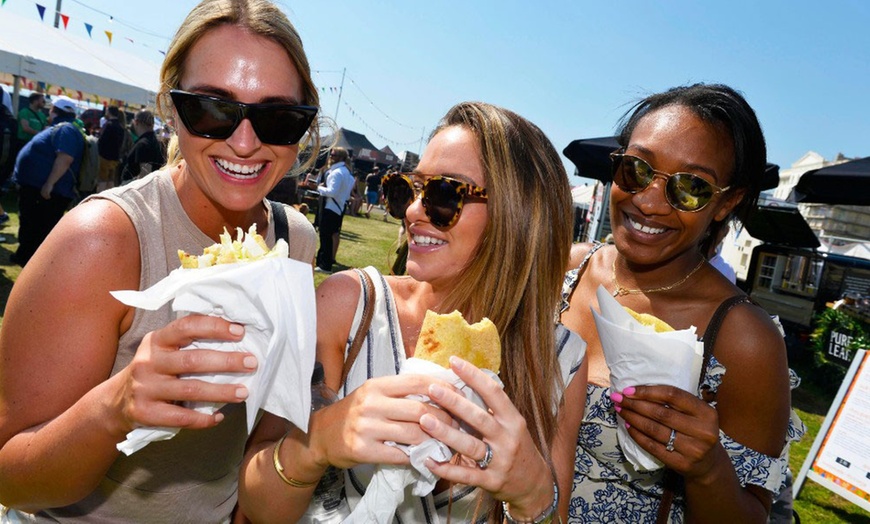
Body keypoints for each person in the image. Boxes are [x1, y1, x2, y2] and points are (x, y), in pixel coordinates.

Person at [0, 0, 320, 520]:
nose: (244, 143)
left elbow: (268, 423)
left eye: (278, 117)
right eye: (212, 109)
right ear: (172, 105)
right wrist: (115, 408)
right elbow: (11, 478)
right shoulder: (103, 241)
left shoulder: (295, 242)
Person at [238, 101, 588, 523]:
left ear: (519, 217)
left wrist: (534, 497)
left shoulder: (561, 359)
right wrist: (317, 443)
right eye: (409, 189)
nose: (412, 211)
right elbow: (256, 506)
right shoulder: (347, 306)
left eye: (443, 193)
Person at [559, 83, 804, 522]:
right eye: (636, 169)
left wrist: (707, 469)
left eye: (690, 187)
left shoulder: (744, 340)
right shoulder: (564, 271)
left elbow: (751, 515)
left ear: (725, 202)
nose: (649, 202)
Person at [9, 95, 84, 267]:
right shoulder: (65, 128)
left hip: (47, 191)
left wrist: (49, 184)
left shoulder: (66, 129)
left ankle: (30, 262)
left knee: (37, 226)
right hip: (41, 189)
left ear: (54, 110)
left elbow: (65, 158)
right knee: (32, 224)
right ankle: (26, 257)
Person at [314, 146, 355, 273]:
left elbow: (332, 192)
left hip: (330, 207)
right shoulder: (347, 172)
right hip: (338, 208)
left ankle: (324, 265)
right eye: (331, 155)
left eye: (334, 155)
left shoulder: (337, 173)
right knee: (329, 235)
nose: (331, 157)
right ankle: (325, 261)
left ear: (341, 158)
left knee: (325, 236)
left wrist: (319, 188)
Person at [118, 109, 167, 184]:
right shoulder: (156, 142)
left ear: (136, 122)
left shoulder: (143, 144)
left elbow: (145, 174)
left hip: (133, 187)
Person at [96, 105, 126, 191]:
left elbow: (102, 140)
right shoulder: (121, 127)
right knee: (111, 179)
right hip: (115, 157)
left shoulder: (108, 125)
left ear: (109, 112)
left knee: (102, 179)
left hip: (104, 156)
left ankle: (100, 197)